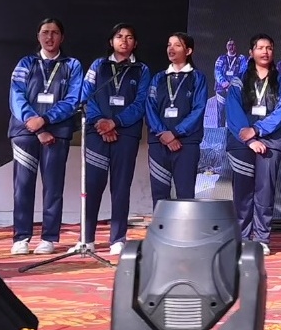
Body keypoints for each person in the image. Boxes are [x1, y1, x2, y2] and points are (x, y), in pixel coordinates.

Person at [8, 18, 83, 255]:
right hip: (25, 132)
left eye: (55, 32)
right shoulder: (26, 63)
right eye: (45, 32)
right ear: (38, 36)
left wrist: (46, 120)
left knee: (53, 187)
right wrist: (36, 125)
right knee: (22, 186)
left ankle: (48, 238)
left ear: (62, 37)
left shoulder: (72, 65)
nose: (49, 37)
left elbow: (73, 100)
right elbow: (16, 96)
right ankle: (21, 237)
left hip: (56, 133)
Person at [81, 23, 151, 255]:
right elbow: (86, 96)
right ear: (111, 41)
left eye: (129, 37)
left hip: (126, 133)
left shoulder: (142, 70)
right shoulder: (98, 65)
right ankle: (86, 238)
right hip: (97, 132)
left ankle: (117, 238)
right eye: (119, 36)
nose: (124, 40)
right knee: (92, 185)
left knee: (121, 187)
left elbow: (141, 103)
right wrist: (101, 122)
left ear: (135, 43)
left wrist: (116, 122)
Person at [225, 33, 281, 255]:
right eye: (260, 47)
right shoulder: (238, 81)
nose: (265, 51)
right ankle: (243, 237)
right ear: (251, 52)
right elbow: (233, 111)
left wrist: (258, 130)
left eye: (269, 48)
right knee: (242, 193)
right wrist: (250, 138)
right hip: (242, 142)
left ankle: (262, 238)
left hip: (270, 142)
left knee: (265, 191)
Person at [145, 33, 207, 208]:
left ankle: (186, 227)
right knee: (159, 194)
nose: (171, 49)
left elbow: (199, 109)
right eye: (169, 45)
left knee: (185, 194)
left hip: (186, 144)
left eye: (177, 45)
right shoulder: (158, 78)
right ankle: (160, 226)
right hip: (159, 143)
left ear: (188, 51)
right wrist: (162, 133)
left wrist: (175, 133)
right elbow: (149, 107)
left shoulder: (197, 77)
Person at [214, 39, 245, 127]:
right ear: (226, 46)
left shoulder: (241, 58)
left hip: (235, 89)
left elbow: (243, 71)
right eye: (229, 45)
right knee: (221, 113)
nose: (231, 47)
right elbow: (217, 72)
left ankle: (233, 132)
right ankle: (220, 132)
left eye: (233, 45)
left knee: (234, 113)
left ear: (236, 46)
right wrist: (223, 82)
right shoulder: (221, 58)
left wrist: (232, 83)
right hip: (222, 89)